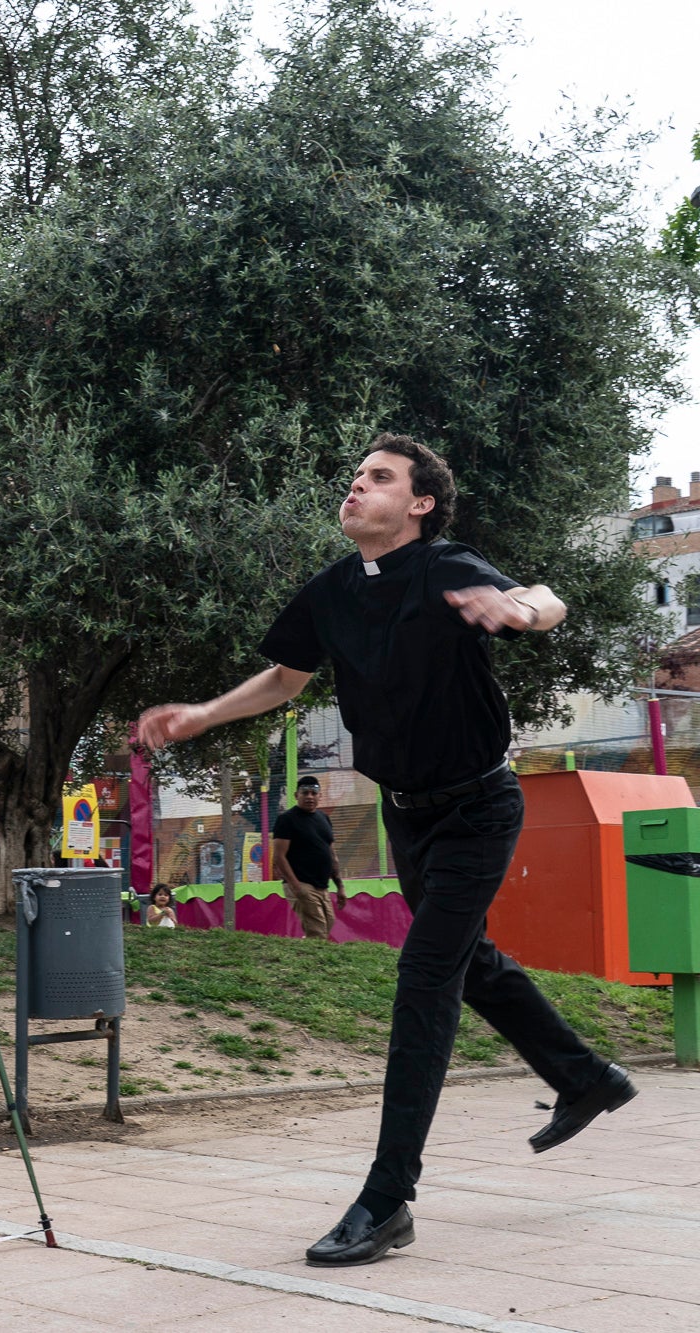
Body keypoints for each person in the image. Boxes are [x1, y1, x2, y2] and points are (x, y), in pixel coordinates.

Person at [139, 433, 630, 1267]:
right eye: (356, 476)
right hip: (406, 813)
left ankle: (387, 1196)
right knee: (467, 959)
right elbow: (285, 678)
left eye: (377, 478)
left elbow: (545, 601)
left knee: (426, 974)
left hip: (479, 805)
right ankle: (584, 1075)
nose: (356, 486)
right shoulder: (331, 592)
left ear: (419, 504)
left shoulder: (446, 568)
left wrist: (519, 609)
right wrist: (202, 714)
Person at [272, 776, 342, 941]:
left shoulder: (323, 818)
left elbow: (331, 854)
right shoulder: (287, 820)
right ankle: (315, 964)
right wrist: (296, 886)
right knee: (317, 930)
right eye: (305, 793)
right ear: (297, 795)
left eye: (314, 793)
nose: (310, 796)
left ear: (320, 796)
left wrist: (340, 886)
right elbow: (279, 856)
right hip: (300, 883)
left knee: (328, 923)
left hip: (321, 886)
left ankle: (305, 954)